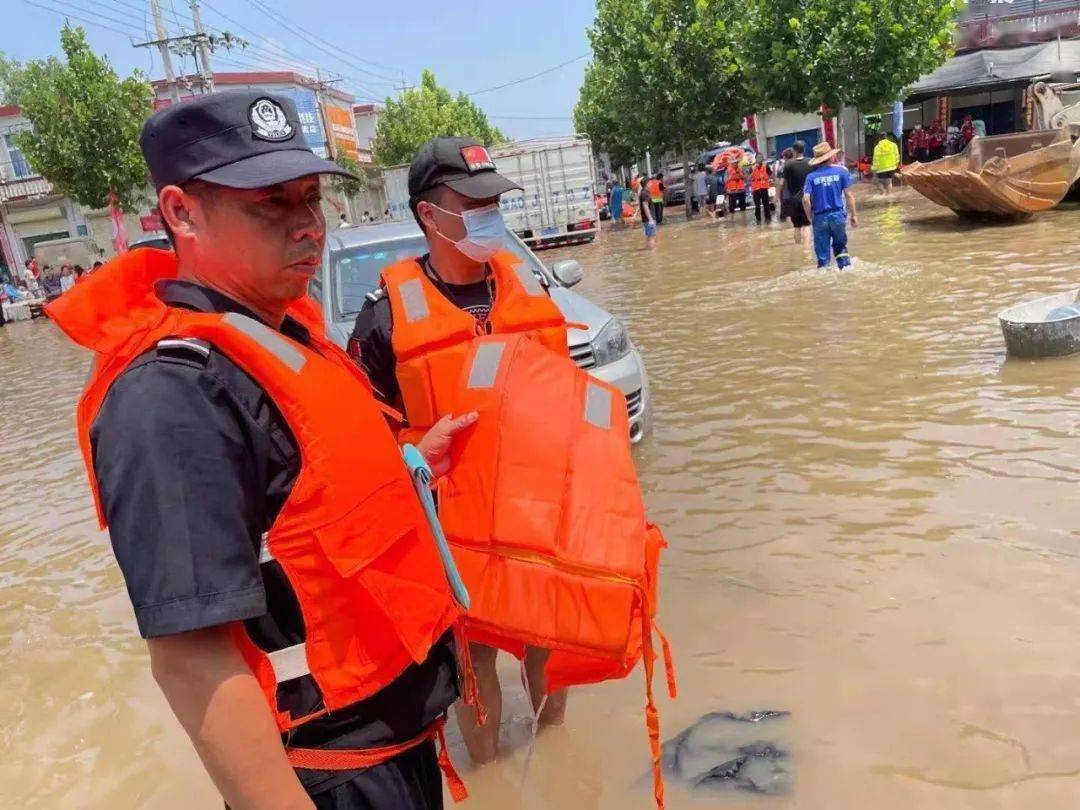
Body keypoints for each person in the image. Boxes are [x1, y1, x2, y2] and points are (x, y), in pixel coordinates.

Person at [46, 90, 475, 810]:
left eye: (311, 198)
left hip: (395, 751)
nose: (308, 225)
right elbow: (191, 661)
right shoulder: (172, 397)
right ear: (180, 213)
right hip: (329, 780)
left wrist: (414, 461)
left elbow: (311, 515)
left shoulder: (282, 338)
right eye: (270, 204)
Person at [349, 136, 573, 766]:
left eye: (494, 200)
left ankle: (556, 764)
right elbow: (360, 444)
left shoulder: (529, 290)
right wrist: (417, 451)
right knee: (475, 668)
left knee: (547, 648)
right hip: (453, 535)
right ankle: (493, 781)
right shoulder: (384, 318)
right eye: (472, 202)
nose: (488, 213)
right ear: (429, 215)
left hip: (535, 518)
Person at [802, 142, 857, 270]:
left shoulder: (811, 177)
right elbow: (849, 195)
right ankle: (845, 269)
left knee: (822, 256)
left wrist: (810, 217)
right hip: (838, 215)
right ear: (830, 157)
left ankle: (824, 274)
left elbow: (805, 199)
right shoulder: (841, 172)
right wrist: (854, 215)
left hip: (820, 217)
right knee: (840, 247)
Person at [780, 141, 813, 244]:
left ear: (794, 151)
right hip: (807, 198)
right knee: (807, 225)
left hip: (793, 199)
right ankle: (806, 249)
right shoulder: (810, 162)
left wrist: (777, 197)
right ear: (804, 150)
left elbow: (782, 183)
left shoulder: (788, 164)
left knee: (797, 226)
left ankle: (798, 248)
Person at [750, 154, 773, 224]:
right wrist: (754, 169)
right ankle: (758, 220)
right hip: (756, 189)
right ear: (755, 158)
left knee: (766, 204)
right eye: (758, 157)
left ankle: (768, 220)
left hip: (764, 188)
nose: (760, 158)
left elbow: (770, 174)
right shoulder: (752, 167)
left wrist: (769, 180)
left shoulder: (766, 166)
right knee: (757, 205)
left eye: (761, 157)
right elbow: (748, 177)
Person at [640, 175, 658, 246]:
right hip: (648, 219)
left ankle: (649, 253)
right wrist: (650, 219)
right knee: (652, 237)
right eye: (650, 182)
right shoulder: (645, 193)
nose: (651, 183)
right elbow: (645, 206)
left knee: (649, 237)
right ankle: (653, 254)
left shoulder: (643, 192)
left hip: (646, 219)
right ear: (647, 183)